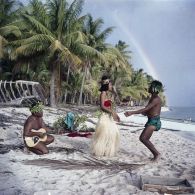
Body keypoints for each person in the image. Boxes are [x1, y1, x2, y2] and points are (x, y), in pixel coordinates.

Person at [124, 80, 163, 161]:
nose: (148, 87)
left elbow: (146, 109)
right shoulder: (153, 97)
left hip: (154, 122)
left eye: (150, 86)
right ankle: (156, 154)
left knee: (143, 138)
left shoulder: (156, 98)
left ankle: (157, 154)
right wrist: (145, 113)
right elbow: (148, 110)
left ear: (154, 88)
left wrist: (132, 112)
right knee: (144, 139)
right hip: (151, 120)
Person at [92, 75, 120, 157]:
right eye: (110, 84)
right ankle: (101, 151)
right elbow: (102, 106)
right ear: (106, 85)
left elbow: (111, 107)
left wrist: (115, 114)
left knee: (113, 134)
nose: (111, 86)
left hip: (109, 117)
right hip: (104, 117)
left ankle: (106, 151)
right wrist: (112, 113)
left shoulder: (109, 94)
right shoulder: (103, 93)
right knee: (104, 135)